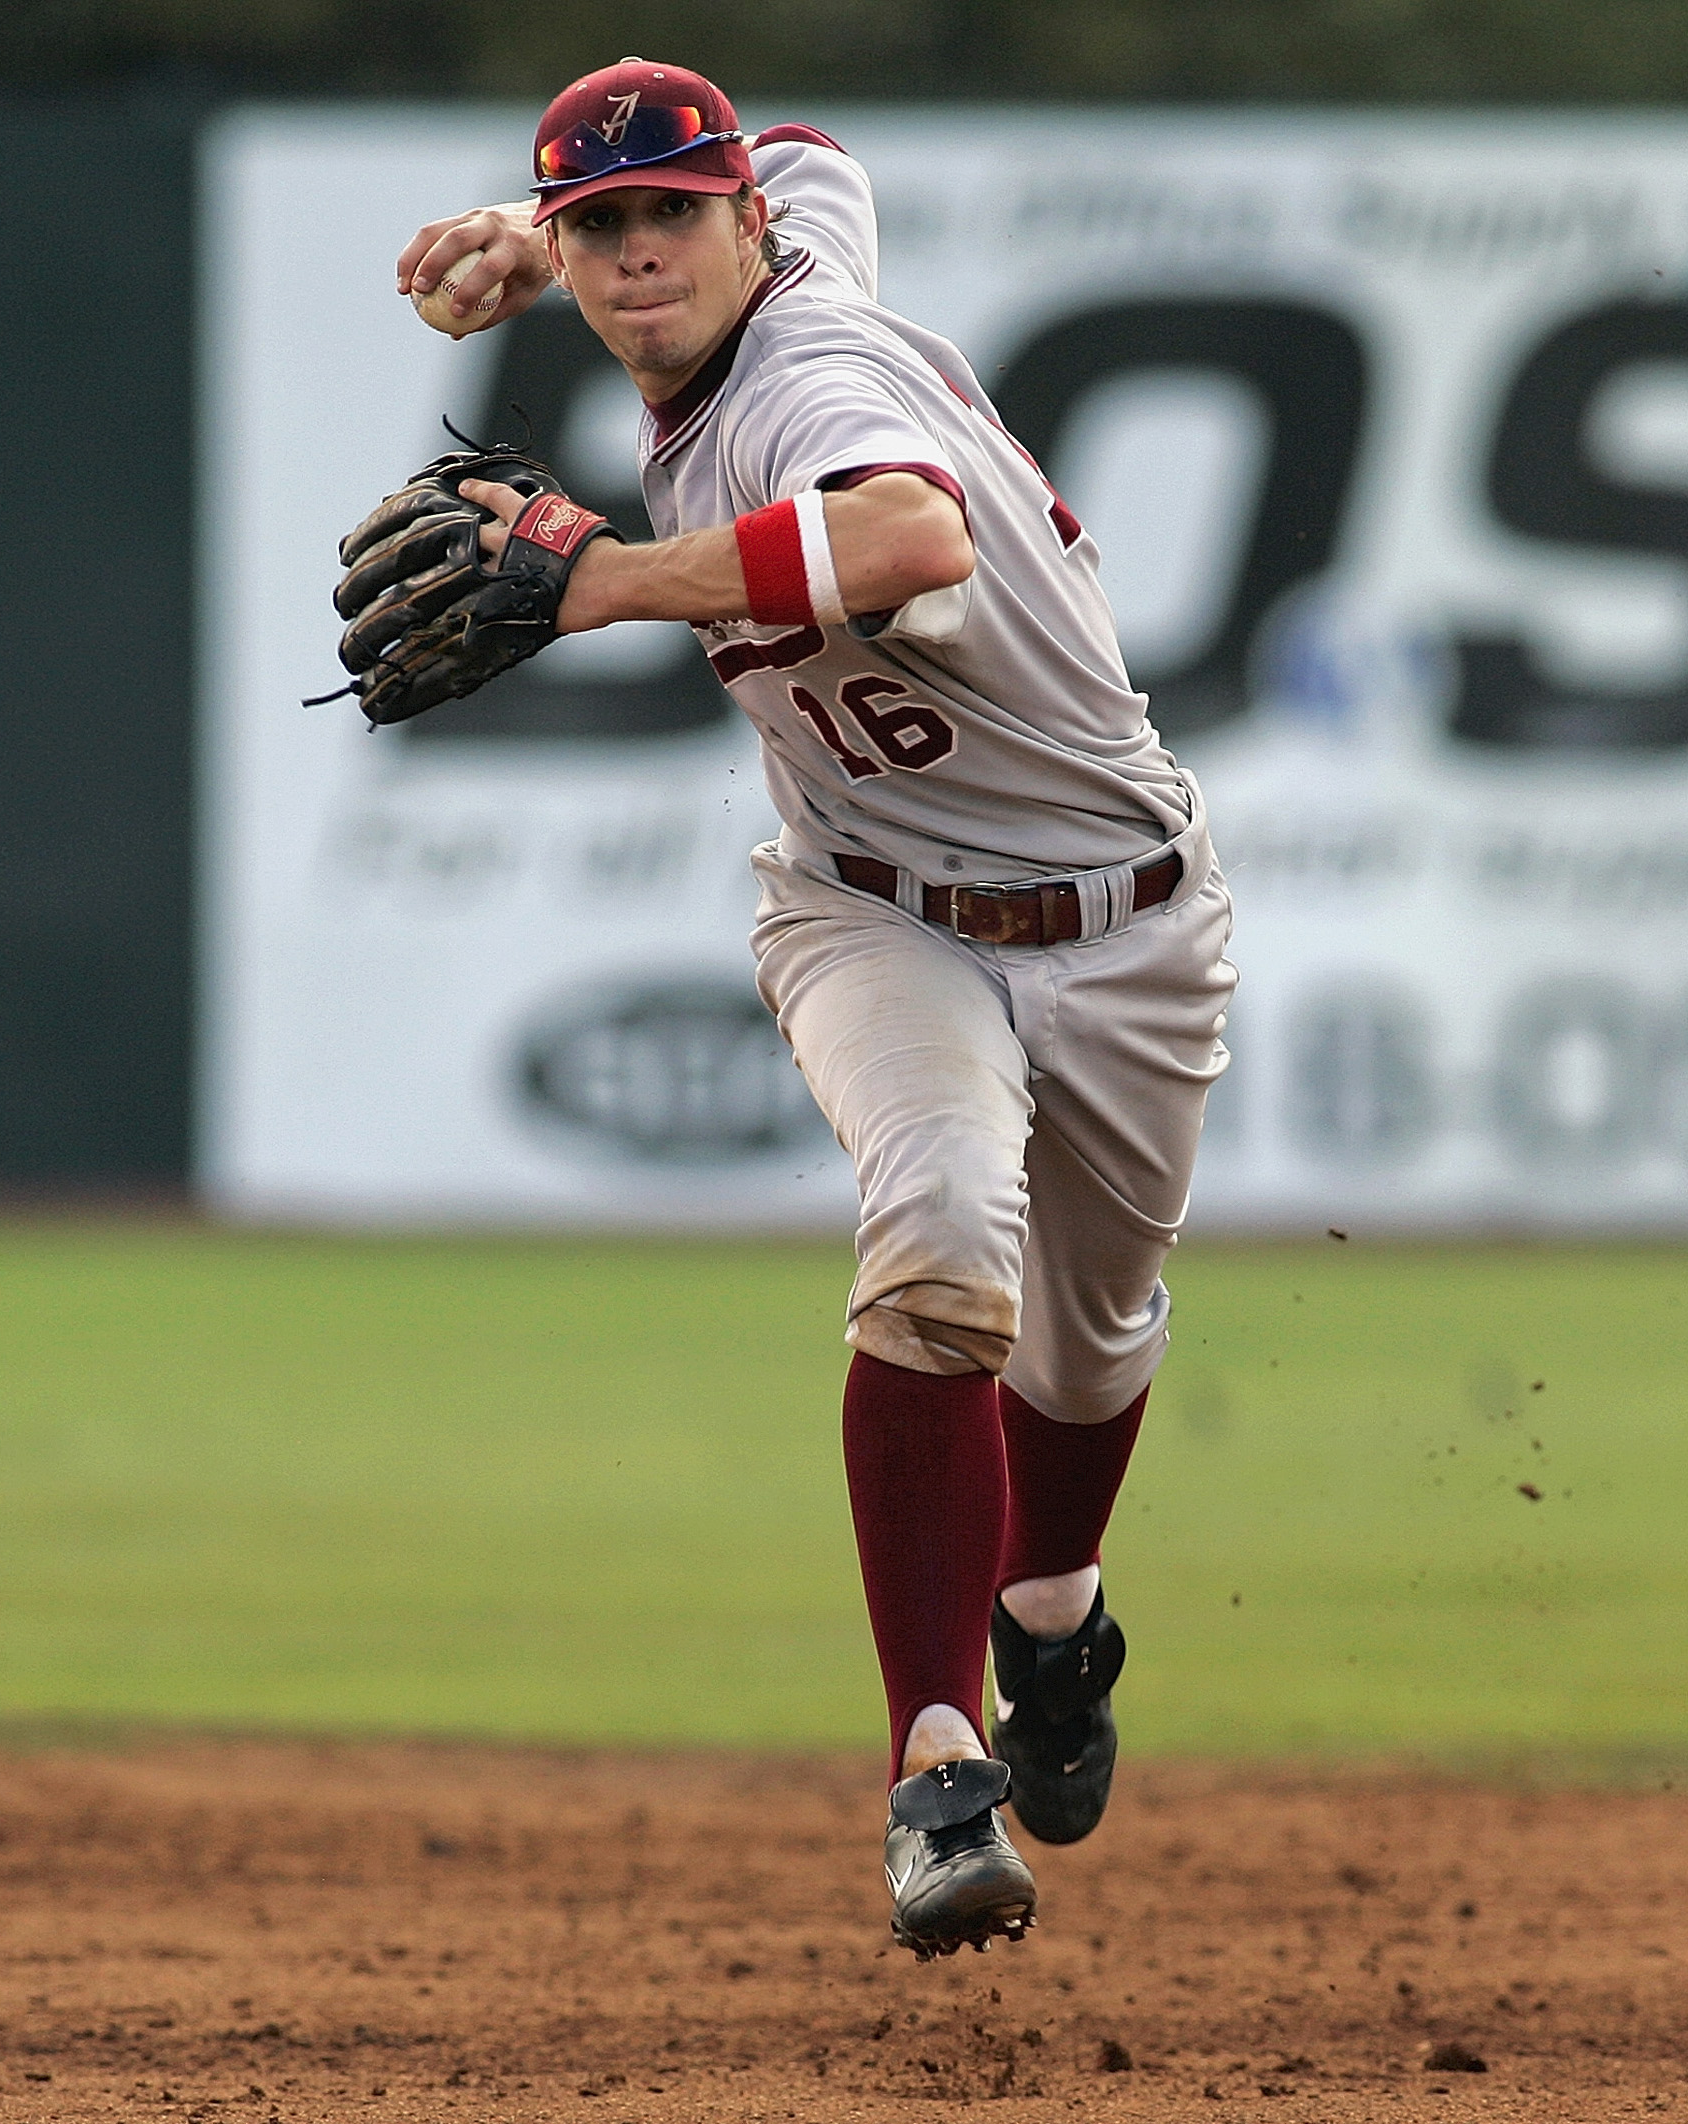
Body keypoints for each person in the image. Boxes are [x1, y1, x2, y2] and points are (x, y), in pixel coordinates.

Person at [392, 57, 1235, 1959]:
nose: (630, 259)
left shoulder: (809, 379)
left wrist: (603, 581)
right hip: (870, 909)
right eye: (599, 227)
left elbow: (910, 539)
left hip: (1128, 923)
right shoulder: (792, 249)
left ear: (740, 236)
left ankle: (1051, 1626)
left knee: (1089, 1355)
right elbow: (823, 147)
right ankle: (937, 1771)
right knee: (938, 1247)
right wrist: (537, 237)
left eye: (664, 217)